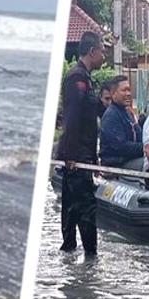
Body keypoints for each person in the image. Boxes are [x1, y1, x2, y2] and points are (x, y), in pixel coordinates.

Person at [58, 30, 105, 255]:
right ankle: (90, 259)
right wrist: (71, 155)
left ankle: (70, 256)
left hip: (82, 153)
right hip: (76, 156)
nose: (104, 56)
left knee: (72, 207)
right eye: (102, 51)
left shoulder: (86, 78)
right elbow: (73, 118)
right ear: (92, 51)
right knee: (85, 207)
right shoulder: (77, 78)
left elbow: (88, 119)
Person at [99, 75, 143, 169]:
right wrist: (146, 148)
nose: (128, 94)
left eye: (129, 90)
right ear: (113, 93)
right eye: (124, 90)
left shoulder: (128, 112)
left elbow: (140, 135)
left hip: (131, 159)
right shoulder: (111, 116)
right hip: (117, 165)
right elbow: (122, 147)